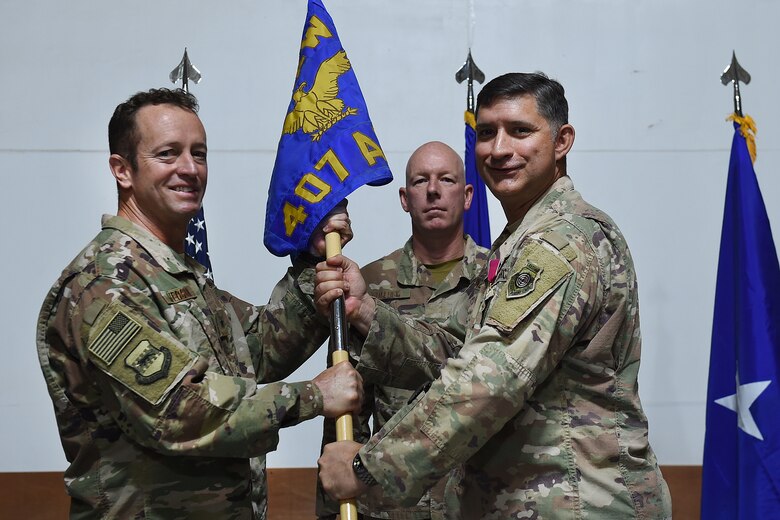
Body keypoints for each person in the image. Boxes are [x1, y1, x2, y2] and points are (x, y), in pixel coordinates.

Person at [315, 73, 672, 518]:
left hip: (579, 502)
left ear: (562, 141)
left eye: (520, 131)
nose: (499, 149)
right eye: (486, 133)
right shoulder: (518, 243)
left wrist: (368, 469)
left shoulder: (559, 242)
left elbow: (488, 380)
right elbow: (459, 352)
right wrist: (366, 310)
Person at [36, 87, 363, 520]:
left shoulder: (177, 275)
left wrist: (312, 270)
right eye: (168, 154)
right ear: (122, 170)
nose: (189, 169)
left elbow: (261, 349)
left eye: (199, 154)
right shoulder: (103, 284)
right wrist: (313, 397)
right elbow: (179, 410)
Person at [315, 141, 489, 519]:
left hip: (477, 502)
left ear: (469, 195)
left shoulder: (498, 279)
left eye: (446, 179)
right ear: (404, 198)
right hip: (392, 505)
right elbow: (347, 404)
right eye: (420, 181)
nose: (433, 190)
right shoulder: (369, 284)